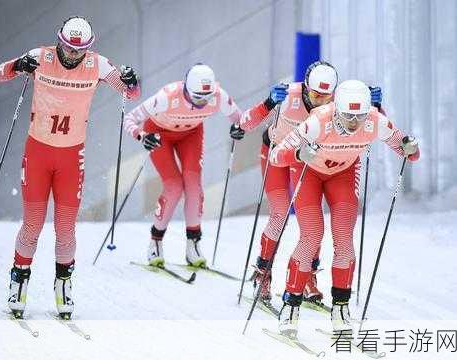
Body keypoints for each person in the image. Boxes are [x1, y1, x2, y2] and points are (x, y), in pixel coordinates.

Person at [0, 16, 140, 319]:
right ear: (58, 41)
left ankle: (63, 283)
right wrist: (18, 65)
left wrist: (130, 79)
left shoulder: (97, 65)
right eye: (67, 49)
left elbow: (130, 93)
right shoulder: (40, 57)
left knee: (65, 228)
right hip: (38, 153)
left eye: (79, 51)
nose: (72, 56)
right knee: (32, 224)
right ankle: (18, 280)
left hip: (71, 158)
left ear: (88, 48)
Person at [269, 79, 420, 335]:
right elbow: (276, 155)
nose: (353, 122)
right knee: (312, 235)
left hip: (343, 174)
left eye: (359, 116)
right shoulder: (318, 121)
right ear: (336, 109)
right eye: (348, 116)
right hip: (310, 174)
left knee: (344, 238)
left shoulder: (374, 120)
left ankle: (341, 307)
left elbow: (408, 151)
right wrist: (297, 154)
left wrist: (409, 148)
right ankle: (290, 306)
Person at [123, 63, 243, 268]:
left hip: (190, 135)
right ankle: (156, 241)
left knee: (194, 186)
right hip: (160, 134)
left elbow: (241, 119)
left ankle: (193, 245)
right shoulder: (167, 96)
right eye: (197, 97)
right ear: (186, 88)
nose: (201, 103)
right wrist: (142, 136)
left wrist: (238, 127)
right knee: (174, 187)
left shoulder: (218, 95)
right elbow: (130, 118)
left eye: (206, 98)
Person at [239, 61, 338, 303]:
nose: (320, 103)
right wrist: (269, 103)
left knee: (312, 221)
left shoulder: (336, 106)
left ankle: (307, 276)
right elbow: (245, 122)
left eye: (327, 97)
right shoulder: (288, 96)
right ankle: (263, 274)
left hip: (304, 160)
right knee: (280, 213)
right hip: (275, 154)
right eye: (315, 95)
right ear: (305, 87)